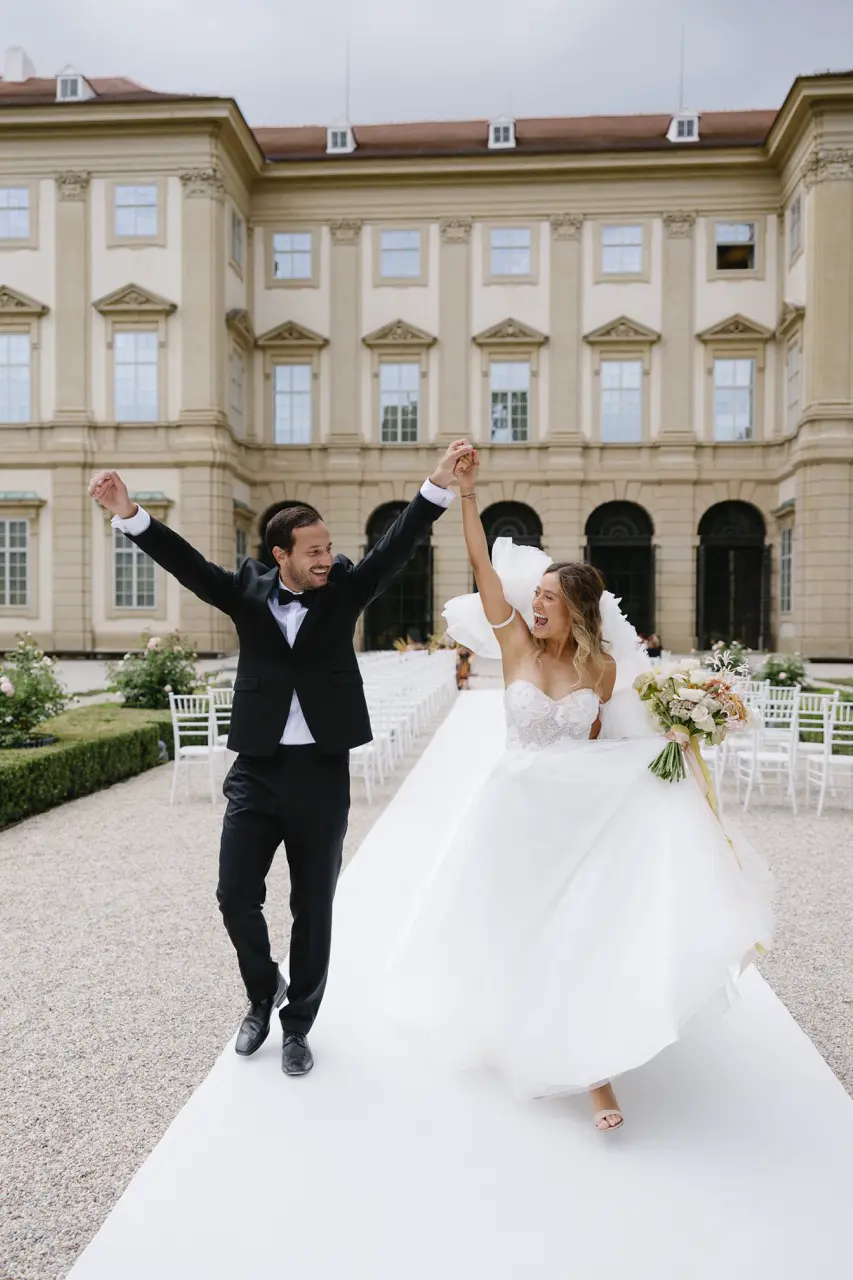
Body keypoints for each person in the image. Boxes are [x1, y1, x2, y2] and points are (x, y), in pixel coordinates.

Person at [380, 448, 774, 1131]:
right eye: (534, 597)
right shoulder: (513, 648)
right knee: (519, 927)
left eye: (548, 601)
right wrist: (468, 496)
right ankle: (527, 1028)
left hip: (579, 815)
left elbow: (609, 746)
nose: (535, 607)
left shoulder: (600, 670)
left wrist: (677, 737)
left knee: (580, 932)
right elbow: (480, 565)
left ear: (575, 611)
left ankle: (595, 1075)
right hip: (515, 813)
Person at [88, 441, 470, 1077]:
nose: (326, 558)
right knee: (234, 893)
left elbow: (395, 545)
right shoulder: (245, 591)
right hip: (257, 769)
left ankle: (298, 1025)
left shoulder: (346, 587)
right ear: (281, 556)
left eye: (327, 547)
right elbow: (187, 565)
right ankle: (263, 993)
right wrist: (129, 513)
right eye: (313, 551)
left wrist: (436, 485)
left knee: (313, 906)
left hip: (321, 771)